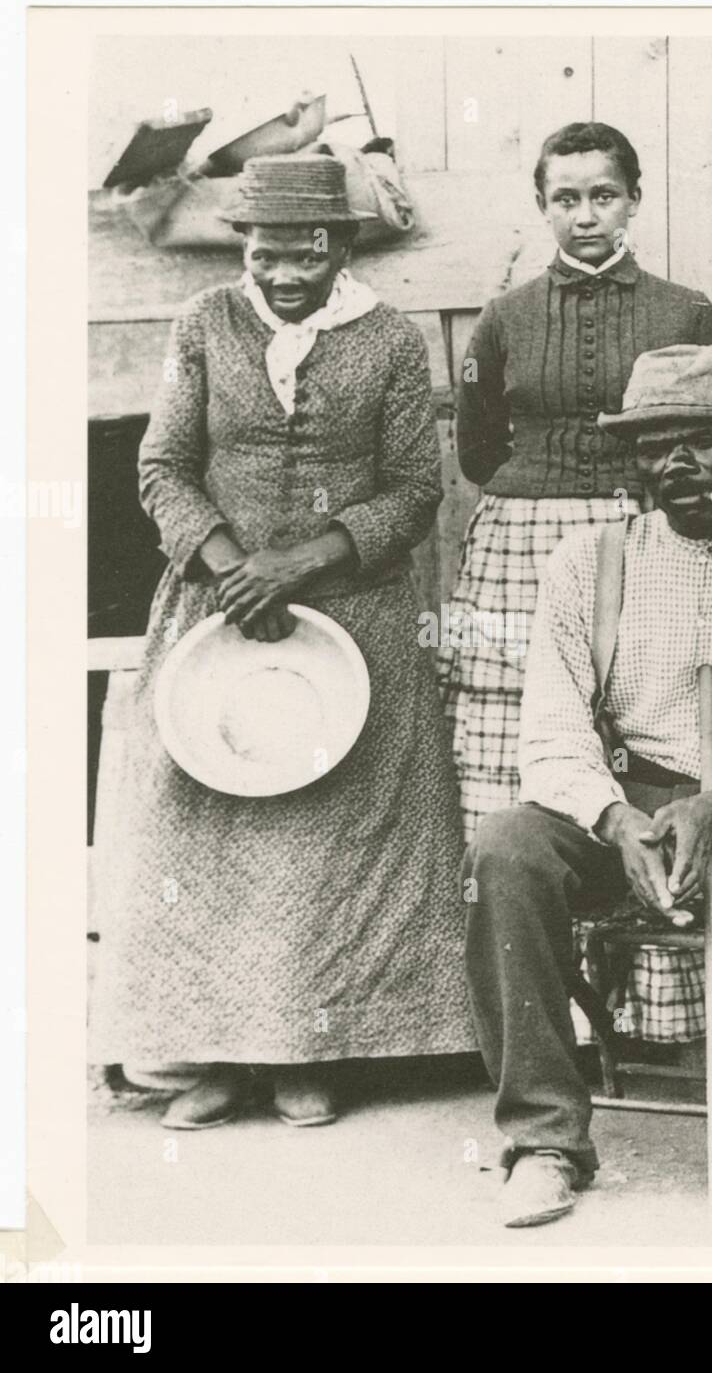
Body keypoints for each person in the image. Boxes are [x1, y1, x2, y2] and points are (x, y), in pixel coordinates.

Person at [90, 155, 475, 1129]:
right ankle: (214, 1058)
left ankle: (311, 1052)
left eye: (305, 252)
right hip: (215, 612)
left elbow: (413, 491)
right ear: (244, 250)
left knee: (322, 840)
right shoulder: (204, 327)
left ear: (341, 245)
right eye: (264, 253)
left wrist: (294, 566)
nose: (283, 273)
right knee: (208, 827)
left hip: (348, 613)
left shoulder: (385, 339)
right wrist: (229, 565)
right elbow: (163, 468)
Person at [463, 343, 712, 1229]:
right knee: (505, 847)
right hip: (627, 828)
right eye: (652, 445)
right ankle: (546, 1140)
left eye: (700, 441)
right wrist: (611, 818)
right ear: (631, 460)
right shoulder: (583, 567)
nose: (676, 464)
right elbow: (553, 739)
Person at [439, 121, 712, 1046]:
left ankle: (657, 1003)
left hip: (648, 537)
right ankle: (542, 1006)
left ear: (634, 200)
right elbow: (480, 448)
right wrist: (546, 499)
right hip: (521, 544)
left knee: (645, 742)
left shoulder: (685, 312)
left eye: (603, 194)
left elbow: (709, 435)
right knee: (513, 758)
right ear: (543, 208)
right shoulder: (506, 316)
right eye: (565, 198)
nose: (585, 214)